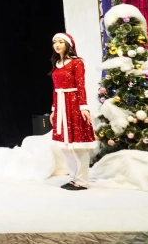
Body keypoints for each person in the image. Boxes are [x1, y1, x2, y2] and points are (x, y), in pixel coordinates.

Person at [49, 32, 96, 190]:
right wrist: (54, 109)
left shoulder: (77, 62)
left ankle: (82, 181)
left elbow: (81, 85)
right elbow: (55, 89)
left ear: (68, 44)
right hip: (61, 105)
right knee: (65, 146)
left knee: (78, 145)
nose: (57, 45)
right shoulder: (57, 64)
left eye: (60, 42)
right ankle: (73, 178)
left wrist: (83, 107)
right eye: (55, 42)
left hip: (73, 104)